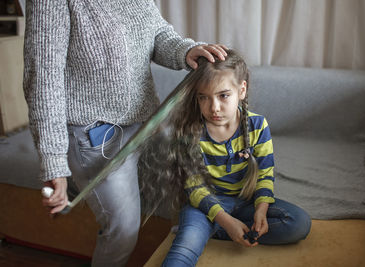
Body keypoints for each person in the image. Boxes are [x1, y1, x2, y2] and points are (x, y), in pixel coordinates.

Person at [22, 1, 227, 266]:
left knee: (191, 185)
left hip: (144, 126)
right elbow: (42, 79)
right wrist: (53, 163)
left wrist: (186, 49)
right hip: (95, 138)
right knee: (123, 232)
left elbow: (156, 33)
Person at [138, 49, 312, 267]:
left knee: (299, 223)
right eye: (204, 98)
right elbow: (194, 188)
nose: (214, 108)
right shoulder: (189, 132)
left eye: (223, 95)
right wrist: (226, 221)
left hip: (244, 202)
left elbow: (266, 174)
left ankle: (217, 231)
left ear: (242, 90)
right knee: (185, 248)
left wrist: (261, 209)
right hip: (204, 206)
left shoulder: (258, 126)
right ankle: (212, 228)